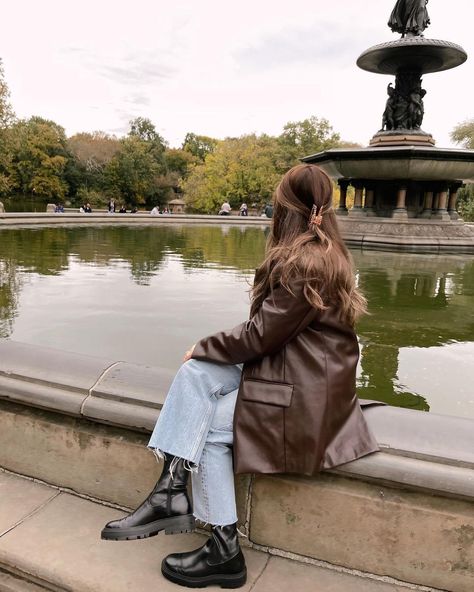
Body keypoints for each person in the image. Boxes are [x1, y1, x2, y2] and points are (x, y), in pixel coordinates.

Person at [100, 164, 380, 589]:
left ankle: (224, 550)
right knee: (196, 376)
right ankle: (169, 490)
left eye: (277, 203)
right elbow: (271, 334)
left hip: (303, 395)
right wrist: (205, 354)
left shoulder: (306, 261)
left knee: (211, 428)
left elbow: (260, 336)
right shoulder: (321, 251)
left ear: (287, 208)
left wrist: (204, 344)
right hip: (294, 374)